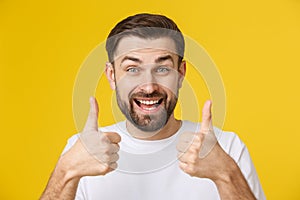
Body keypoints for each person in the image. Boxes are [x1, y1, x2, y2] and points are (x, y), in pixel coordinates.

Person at [40, 13, 265, 200]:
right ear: (112, 76)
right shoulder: (81, 152)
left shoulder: (227, 147)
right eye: (132, 69)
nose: (148, 87)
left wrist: (226, 174)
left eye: (162, 69)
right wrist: (66, 173)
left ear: (181, 74)